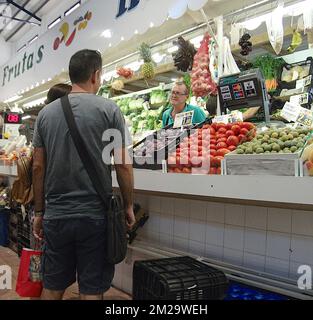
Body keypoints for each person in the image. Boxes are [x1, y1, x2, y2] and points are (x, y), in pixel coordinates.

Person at [32, 49, 136, 300]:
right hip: (95, 216)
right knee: (92, 289)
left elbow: (37, 167)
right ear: (96, 75)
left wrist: (38, 211)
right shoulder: (109, 110)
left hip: (56, 215)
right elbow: (122, 164)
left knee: (53, 284)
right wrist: (129, 205)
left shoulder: (45, 115)